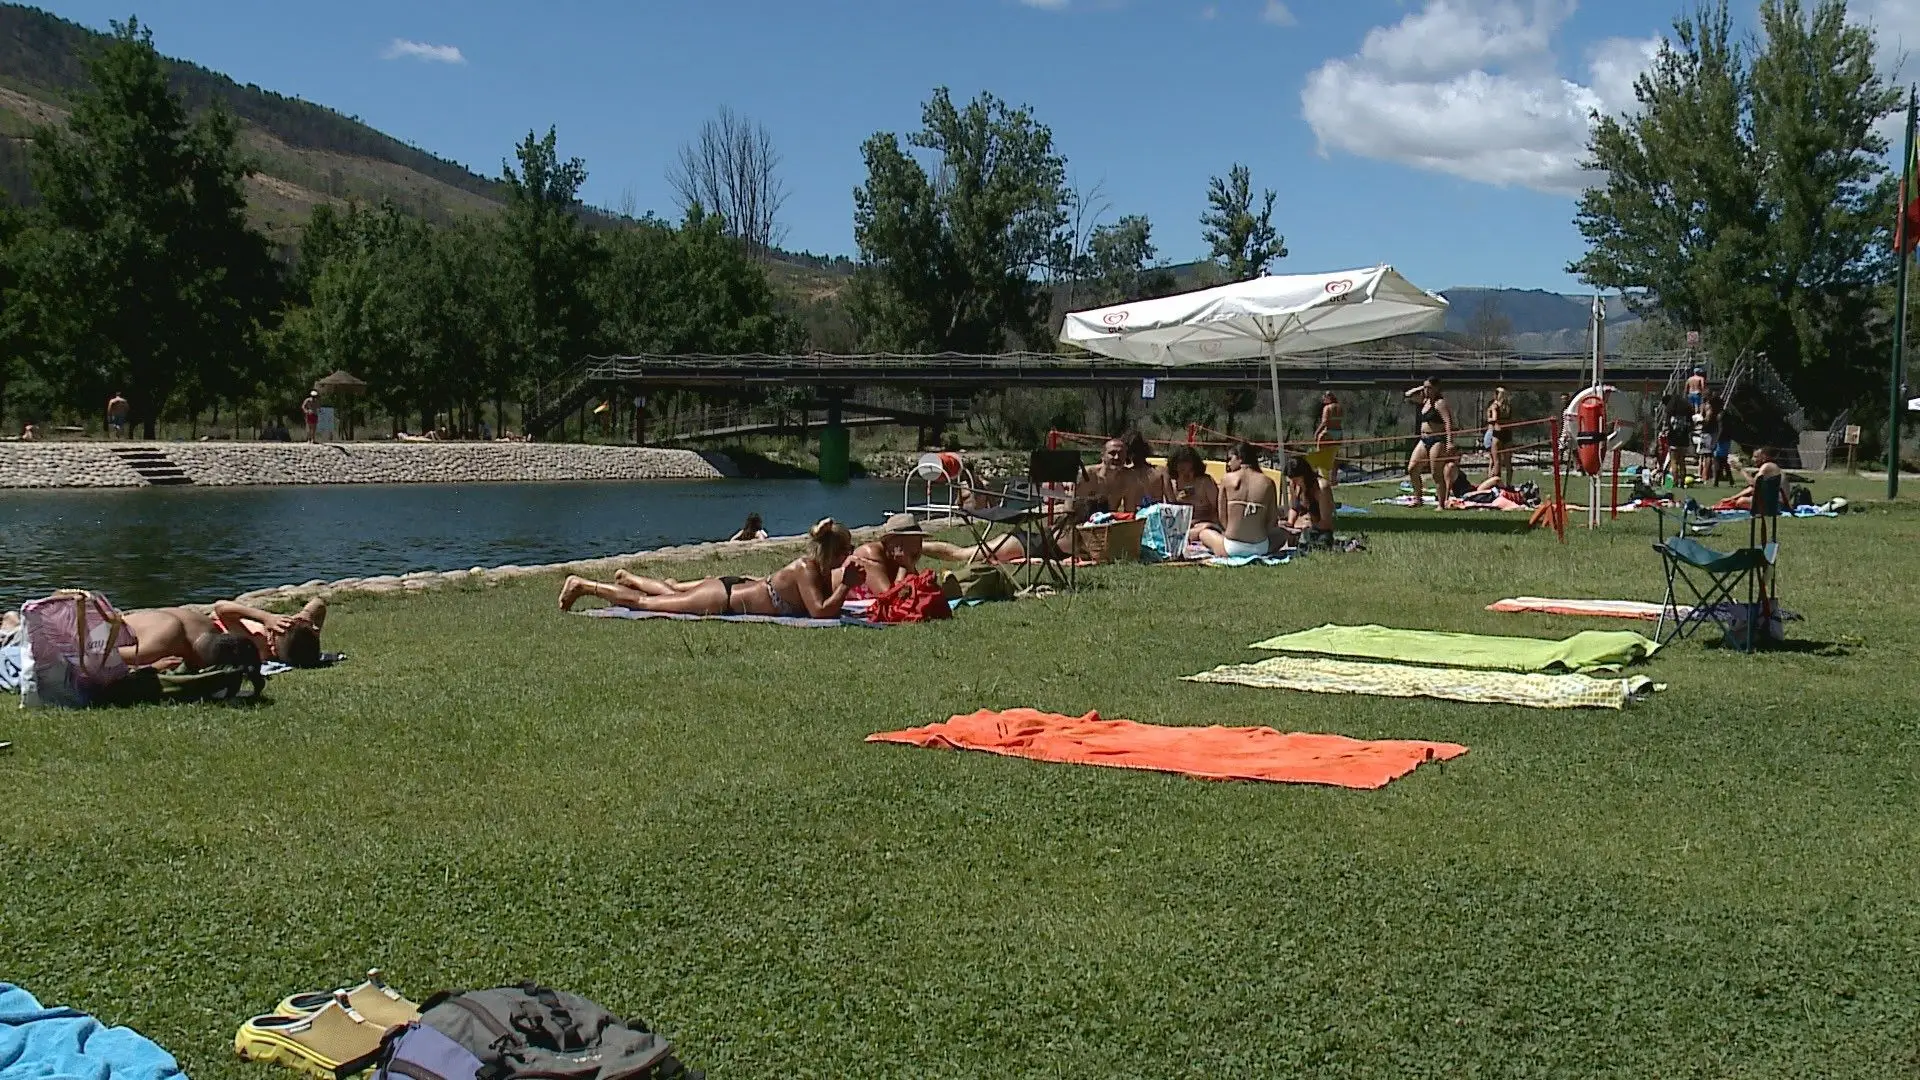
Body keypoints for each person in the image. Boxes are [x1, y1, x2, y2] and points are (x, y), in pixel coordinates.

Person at [560, 518, 862, 618]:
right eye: (847, 550)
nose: (850, 555)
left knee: (669, 594)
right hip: (721, 599)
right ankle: (584, 586)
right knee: (645, 604)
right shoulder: (807, 569)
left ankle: (630, 579)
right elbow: (821, 612)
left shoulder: (817, 571)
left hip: (730, 590)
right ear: (834, 552)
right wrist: (846, 583)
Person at [120, 596, 328, 671]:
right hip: (183, 627)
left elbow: (221, 608)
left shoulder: (257, 642)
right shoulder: (289, 635)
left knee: (159, 641)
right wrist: (303, 619)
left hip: (192, 635)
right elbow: (318, 604)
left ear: (273, 643)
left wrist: (265, 617)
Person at [836, 513, 972, 594]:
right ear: (894, 541)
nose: (918, 547)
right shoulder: (871, 554)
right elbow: (888, 597)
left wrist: (908, 565)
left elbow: (915, 587)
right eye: (913, 541)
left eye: (919, 541)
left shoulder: (898, 557)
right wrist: (904, 566)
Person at [1203, 441, 1280, 558]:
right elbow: (1272, 519)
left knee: (1204, 533)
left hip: (1231, 547)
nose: (1228, 463)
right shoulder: (1268, 482)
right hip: (1260, 547)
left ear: (1240, 458)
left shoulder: (1227, 479)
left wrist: (1229, 531)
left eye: (1230, 459)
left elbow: (1222, 517)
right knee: (1283, 533)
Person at [1159, 445, 1223, 550]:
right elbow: (1169, 512)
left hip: (1204, 524)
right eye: (1180, 467)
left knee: (1204, 532)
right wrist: (1177, 500)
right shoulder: (1172, 484)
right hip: (1182, 528)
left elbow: (1218, 508)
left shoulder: (1205, 482)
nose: (1184, 472)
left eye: (1187, 467)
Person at [1404, 378, 1453, 505]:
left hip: (1437, 440)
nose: (1427, 390)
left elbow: (1448, 423)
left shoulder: (1440, 403)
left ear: (1436, 389)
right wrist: (1422, 387)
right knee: (1412, 468)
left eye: (1429, 388)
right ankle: (1417, 498)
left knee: (1436, 473)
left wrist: (1449, 442)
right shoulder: (1424, 401)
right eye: (1425, 387)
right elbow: (1408, 395)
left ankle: (1441, 503)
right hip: (1424, 439)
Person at [1281, 456, 1336, 545]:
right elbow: (1294, 508)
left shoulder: (1321, 488)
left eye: (1296, 479)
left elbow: (1326, 522)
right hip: (1300, 527)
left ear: (1304, 475)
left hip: (1319, 531)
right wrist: (1289, 522)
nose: (1293, 482)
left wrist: (1307, 526)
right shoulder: (1294, 485)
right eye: (1291, 480)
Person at [1310, 391, 1343, 493]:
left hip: (1328, 433)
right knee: (1334, 457)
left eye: (1324, 397)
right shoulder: (1339, 407)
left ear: (1328, 397)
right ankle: (1333, 479)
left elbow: (1325, 422)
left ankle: (1324, 480)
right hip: (1338, 433)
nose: (1323, 399)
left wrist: (1317, 432)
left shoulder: (1327, 408)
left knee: (1322, 455)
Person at [1485, 386, 1514, 485]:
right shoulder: (1508, 406)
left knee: (1496, 462)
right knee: (1508, 462)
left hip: (1498, 434)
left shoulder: (1495, 405)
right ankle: (1508, 485)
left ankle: (1497, 485)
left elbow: (1494, 418)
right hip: (1508, 434)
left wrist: (1489, 419)